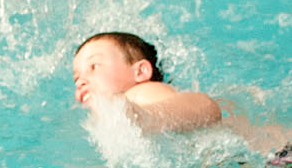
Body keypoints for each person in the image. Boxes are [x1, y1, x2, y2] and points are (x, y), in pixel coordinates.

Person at [71, 31, 224, 134]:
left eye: (94, 66)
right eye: (76, 78)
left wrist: (144, 117)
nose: (80, 82)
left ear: (140, 72)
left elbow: (207, 107)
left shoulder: (141, 92)